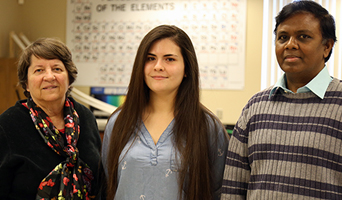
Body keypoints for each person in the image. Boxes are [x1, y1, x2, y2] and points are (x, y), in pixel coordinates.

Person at [221, 1, 342, 199]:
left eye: (303, 36)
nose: (290, 44)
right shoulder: (255, 107)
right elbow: (233, 188)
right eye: (283, 37)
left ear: (327, 47)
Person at [101, 25, 229, 200]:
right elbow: (109, 184)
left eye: (169, 59)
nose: (158, 66)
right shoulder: (118, 122)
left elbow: (218, 191)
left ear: (187, 69)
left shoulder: (208, 126)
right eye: (150, 58)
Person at [0, 38, 103, 199]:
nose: (49, 77)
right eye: (39, 70)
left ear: (69, 78)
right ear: (26, 83)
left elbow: (100, 178)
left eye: (57, 69)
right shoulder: (7, 125)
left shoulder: (85, 117)